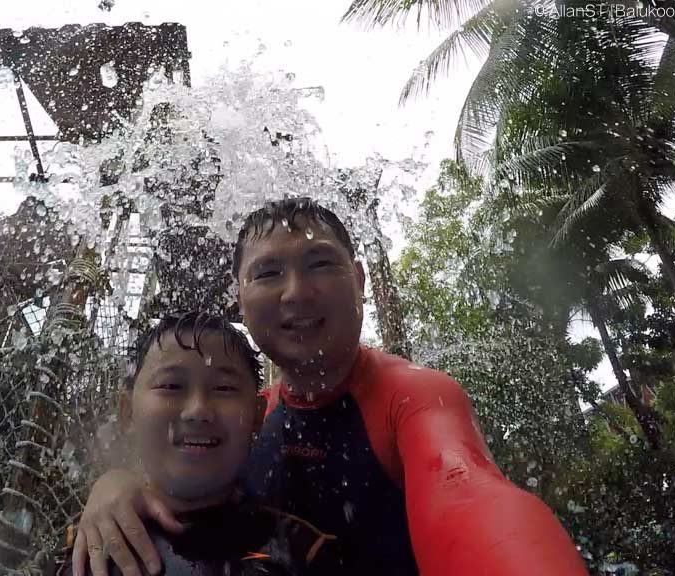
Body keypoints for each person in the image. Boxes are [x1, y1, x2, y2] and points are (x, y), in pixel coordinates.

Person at [73, 198, 588, 576]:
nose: (297, 292)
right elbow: (180, 489)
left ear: (360, 281)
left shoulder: (412, 399)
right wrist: (116, 487)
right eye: (268, 272)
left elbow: (470, 497)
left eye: (320, 263)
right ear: (240, 300)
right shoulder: (247, 415)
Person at [61, 311, 339, 576]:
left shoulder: (301, 549)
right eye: (171, 386)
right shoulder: (94, 539)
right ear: (127, 412)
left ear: (257, 416)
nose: (197, 411)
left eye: (224, 388)